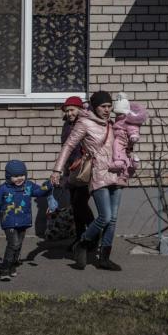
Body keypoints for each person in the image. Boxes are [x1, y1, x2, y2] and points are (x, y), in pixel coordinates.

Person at [52, 90, 124, 271]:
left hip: (116, 173)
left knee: (113, 219)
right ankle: (83, 243)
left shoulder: (112, 124)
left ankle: (104, 258)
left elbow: (119, 147)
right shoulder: (84, 123)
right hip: (99, 174)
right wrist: (57, 170)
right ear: (94, 106)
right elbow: (68, 145)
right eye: (103, 106)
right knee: (105, 216)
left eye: (109, 106)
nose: (107, 110)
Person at [0, 159, 52, 281]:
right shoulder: (2, 189)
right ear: (8, 176)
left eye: (22, 175)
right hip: (9, 221)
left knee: (18, 245)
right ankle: (4, 269)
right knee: (13, 244)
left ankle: (12, 266)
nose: (19, 178)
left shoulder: (28, 186)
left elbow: (39, 191)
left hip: (23, 221)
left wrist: (49, 184)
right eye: (15, 176)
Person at [60, 95, 94, 245]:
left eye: (72, 110)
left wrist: (81, 158)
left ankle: (94, 235)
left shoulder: (86, 123)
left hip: (84, 170)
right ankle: (80, 238)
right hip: (71, 171)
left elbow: (92, 145)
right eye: (67, 111)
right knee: (75, 207)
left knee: (80, 204)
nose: (69, 113)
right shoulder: (67, 125)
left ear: (80, 109)